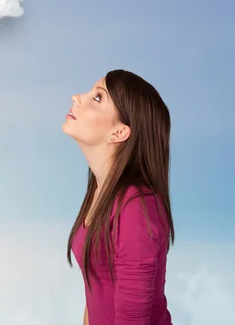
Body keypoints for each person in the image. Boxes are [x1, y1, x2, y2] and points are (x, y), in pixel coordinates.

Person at [62, 69, 174, 325]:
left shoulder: (137, 205)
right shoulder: (101, 192)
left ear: (119, 132)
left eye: (97, 98)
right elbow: (95, 297)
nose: (77, 97)